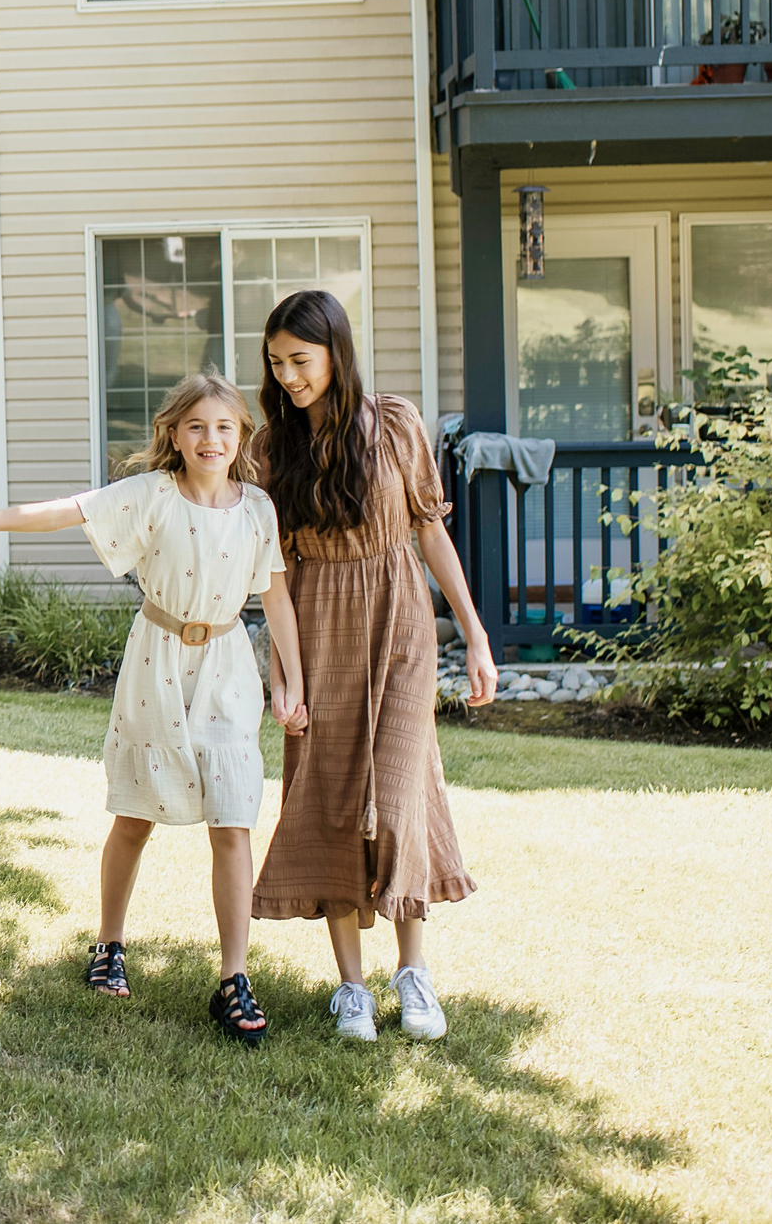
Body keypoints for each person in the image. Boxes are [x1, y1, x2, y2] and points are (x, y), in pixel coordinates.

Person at [0, 374, 304, 1046]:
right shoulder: (152, 494)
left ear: (241, 434)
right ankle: (109, 943)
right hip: (156, 663)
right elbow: (58, 511)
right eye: (196, 426)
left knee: (235, 817)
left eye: (224, 427)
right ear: (174, 435)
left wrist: (290, 679)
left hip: (228, 669)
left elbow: (276, 599)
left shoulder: (259, 509)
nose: (210, 439)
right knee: (134, 815)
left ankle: (234, 978)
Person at [249, 289, 497, 1042]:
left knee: (399, 795)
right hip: (317, 626)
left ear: (336, 351)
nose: (289, 375)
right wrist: (282, 677)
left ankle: (413, 971)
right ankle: (351, 986)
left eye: (301, 359)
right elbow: (274, 578)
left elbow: (430, 535)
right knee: (327, 795)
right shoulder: (269, 451)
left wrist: (475, 633)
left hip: (400, 622)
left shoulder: (395, 424)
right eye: (276, 363)